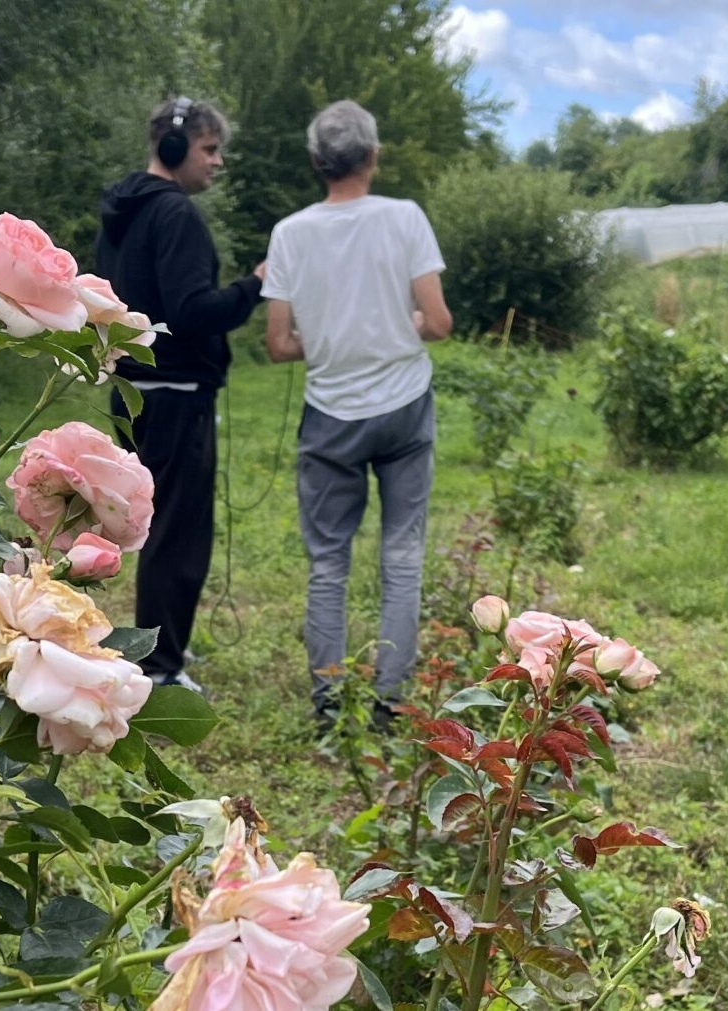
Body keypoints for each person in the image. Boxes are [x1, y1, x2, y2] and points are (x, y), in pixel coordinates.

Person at [259, 100, 453, 722]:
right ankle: (389, 703)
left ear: (318, 161)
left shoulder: (290, 233)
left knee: (328, 564)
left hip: (330, 415)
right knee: (401, 556)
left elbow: (278, 344)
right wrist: (396, 327)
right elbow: (440, 323)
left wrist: (337, 337)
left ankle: (327, 705)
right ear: (374, 156)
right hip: (404, 406)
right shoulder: (405, 218)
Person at [93, 97, 265, 689]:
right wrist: (256, 286)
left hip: (133, 390)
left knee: (156, 525)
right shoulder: (176, 216)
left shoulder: (125, 210)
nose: (219, 163)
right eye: (210, 149)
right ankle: (161, 668)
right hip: (176, 394)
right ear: (174, 149)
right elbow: (193, 312)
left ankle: (159, 646)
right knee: (178, 533)